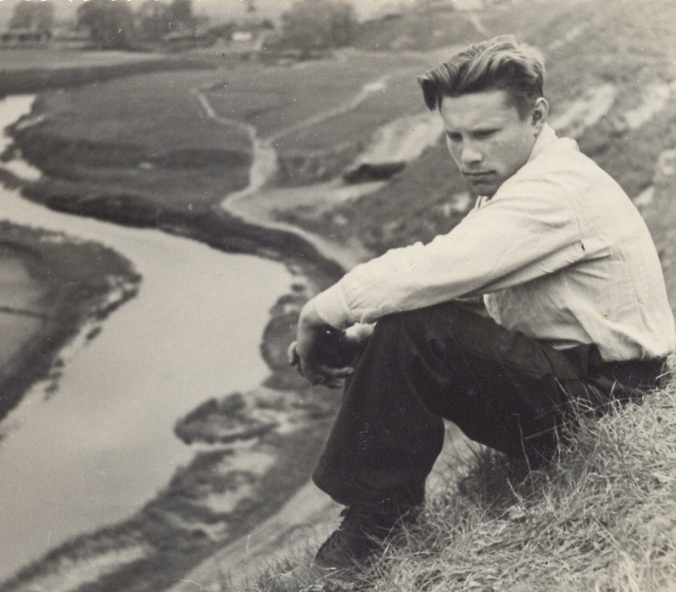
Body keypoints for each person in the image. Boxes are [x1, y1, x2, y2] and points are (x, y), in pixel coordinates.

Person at [288, 35, 675, 570]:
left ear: (536, 115)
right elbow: (460, 283)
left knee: (418, 323)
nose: (469, 155)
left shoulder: (554, 191)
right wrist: (366, 339)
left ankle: (378, 523)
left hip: (606, 401)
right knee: (409, 322)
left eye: (487, 133)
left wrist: (318, 315)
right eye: (454, 136)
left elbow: (433, 270)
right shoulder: (520, 181)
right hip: (584, 380)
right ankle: (379, 510)